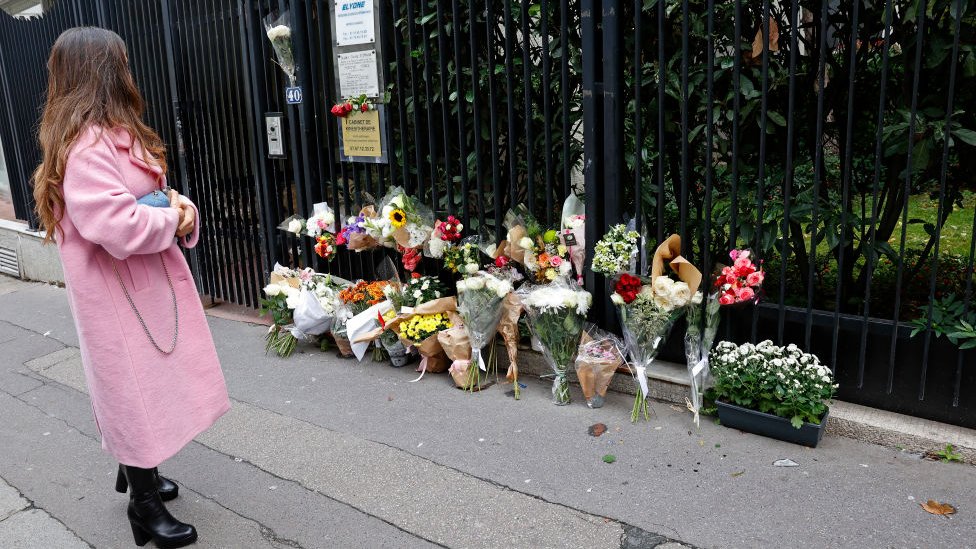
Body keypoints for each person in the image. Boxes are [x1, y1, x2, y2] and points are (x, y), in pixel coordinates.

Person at [32, 27, 230, 548]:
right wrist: (172, 214)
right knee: (132, 389)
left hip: (137, 285)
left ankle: (138, 469)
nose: (128, 70)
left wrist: (175, 207)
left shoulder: (107, 131)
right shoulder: (89, 146)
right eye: (121, 61)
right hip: (116, 294)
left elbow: (151, 194)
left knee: (146, 384)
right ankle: (142, 503)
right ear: (103, 70)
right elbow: (117, 225)